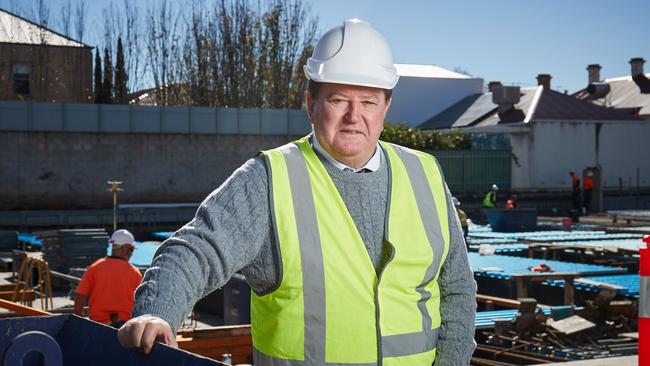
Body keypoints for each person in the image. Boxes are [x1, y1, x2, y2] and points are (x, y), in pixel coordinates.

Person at [118, 19, 477, 365]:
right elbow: (194, 251)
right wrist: (156, 312)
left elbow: (457, 289)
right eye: (339, 100)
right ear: (311, 104)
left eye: (368, 102)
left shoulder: (424, 172)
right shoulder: (270, 179)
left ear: (386, 107)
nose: (354, 116)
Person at [74, 229, 142, 328]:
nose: (131, 253)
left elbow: (80, 295)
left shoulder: (95, 267)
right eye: (130, 249)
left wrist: (77, 323)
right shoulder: (134, 273)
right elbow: (142, 302)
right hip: (125, 328)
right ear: (124, 249)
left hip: (97, 326)